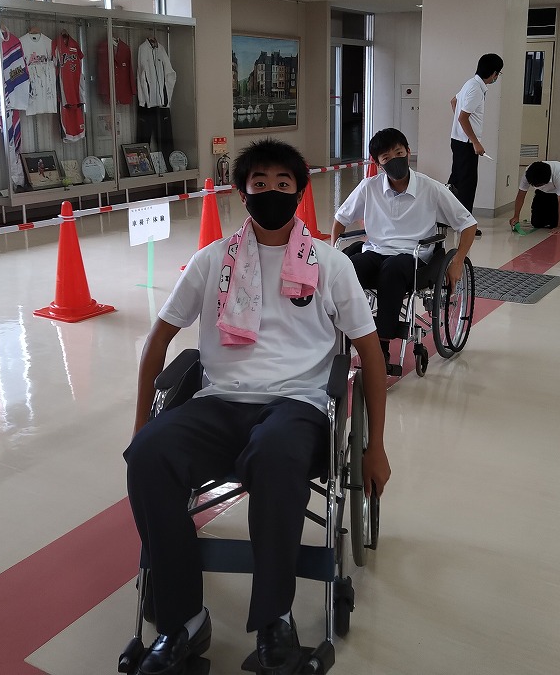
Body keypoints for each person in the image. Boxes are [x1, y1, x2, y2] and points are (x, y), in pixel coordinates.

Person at [125, 139, 389, 675]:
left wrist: (375, 446)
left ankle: (275, 619)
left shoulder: (331, 265)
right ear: (242, 194)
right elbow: (158, 340)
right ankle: (182, 621)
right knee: (149, 455)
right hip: (221, 400)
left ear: (299, 192)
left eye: (283, 183)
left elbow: (370, 352)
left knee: (274, 453)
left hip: (298, 403)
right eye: (259, 183)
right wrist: (140, 425)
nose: (272, 192)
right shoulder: (212, 260)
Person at [332, 128, 477, 373]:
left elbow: (468, 224)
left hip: (415, 258)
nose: (394, 160)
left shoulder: (430, 188)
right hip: (376, 252)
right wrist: (333, 254)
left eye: (399, 153)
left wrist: (457, 261)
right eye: (386, 158)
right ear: (377, 163)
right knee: (350, 268)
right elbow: (340, 219)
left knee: (392, 268)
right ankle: (343, 338)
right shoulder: (369, 187)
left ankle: (381, 346)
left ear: (408, 152)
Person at [449, 53, 503, 236]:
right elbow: (463, 117)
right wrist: (475, 142)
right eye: (498, 74)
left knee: (456, 181)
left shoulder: (471, 83)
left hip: (458, 141)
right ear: (494, 73)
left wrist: (460, 125)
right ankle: (465, 225)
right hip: (466, 144)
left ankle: (448, 218)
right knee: (467, 185)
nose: (497, 77)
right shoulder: (476, 89)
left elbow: (454, 101)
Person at [509, 160, 560, 233]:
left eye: (539, 185)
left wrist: (559, 226)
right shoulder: (529, 173)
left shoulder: (559, 174)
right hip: (542, 191)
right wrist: (516, 216)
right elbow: (521, 195)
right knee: (537, 223)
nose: (536, 186)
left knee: (554, 223)